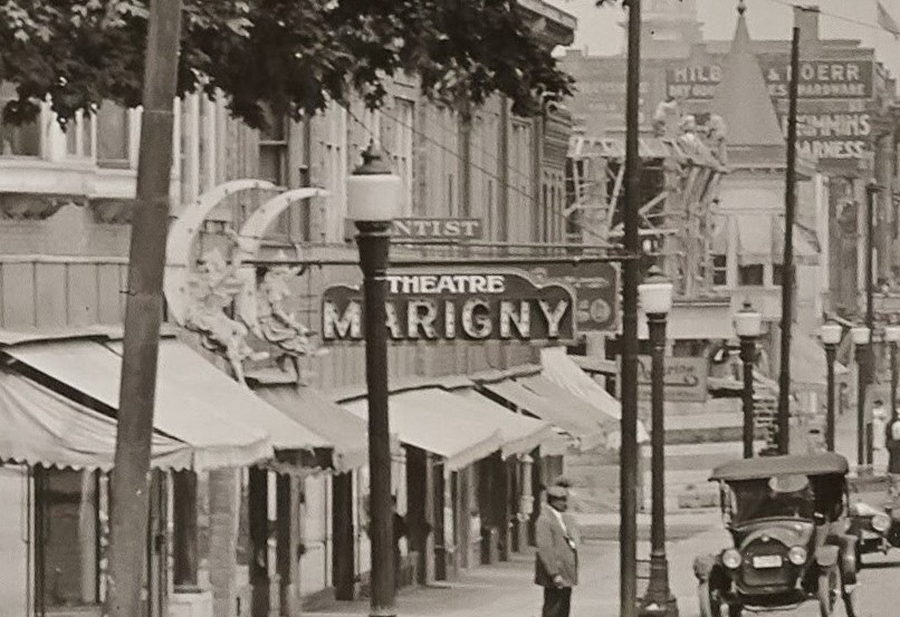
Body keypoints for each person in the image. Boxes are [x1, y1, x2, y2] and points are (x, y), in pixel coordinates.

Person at [535, 482, 578, 617]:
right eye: (563, 500)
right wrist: (554, 573)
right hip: (556, 574)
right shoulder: (545, 519)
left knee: (563, 608)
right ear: (554, 501)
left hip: (565, 572)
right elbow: (545, 548)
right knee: (553, 608)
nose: (565, 503)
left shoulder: (561, 518)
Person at [392, 495, 407, 590]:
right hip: (393, 546)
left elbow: (404, 530)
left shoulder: (398, 519)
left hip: (394, 546)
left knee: (395, 566)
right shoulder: (398, 518)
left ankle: (395, 585)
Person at [887, 414, 900, 498]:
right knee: (896, 465)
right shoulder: (897, 425)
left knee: (894, 465)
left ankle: (894, 487)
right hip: (897, 444)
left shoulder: (894, 424)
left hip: (893, 444)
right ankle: (896, 488)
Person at [872, 399, 888, 470]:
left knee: (879, 434)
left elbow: (884, 416)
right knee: (875, 434)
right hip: (875, 422)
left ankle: (879, 445)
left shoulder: (882, 410)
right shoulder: (874, 410)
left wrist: (880, 417)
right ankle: (875, 445)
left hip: (880, 423)